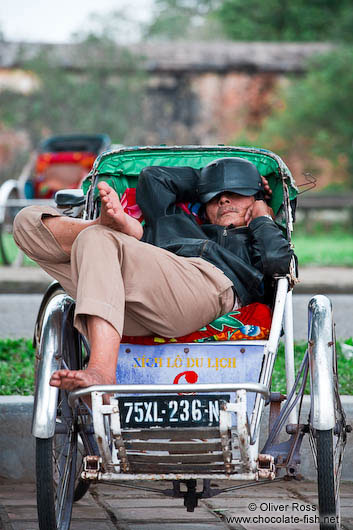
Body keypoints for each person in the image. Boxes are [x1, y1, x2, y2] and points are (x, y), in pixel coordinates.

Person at [13, 157, 293, 391]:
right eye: (216, 196)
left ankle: (101, 371)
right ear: (202, 204)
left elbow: (279, 263)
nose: (224, 199)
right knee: (26, 222)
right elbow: (153, 178)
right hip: (131, 292)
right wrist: (211, 180)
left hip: (205, 286)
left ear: (257, 200)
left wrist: (262, 218)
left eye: (237, 192)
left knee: (95, 239)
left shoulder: (257, 237)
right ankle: (104, 227)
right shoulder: (173, 221)